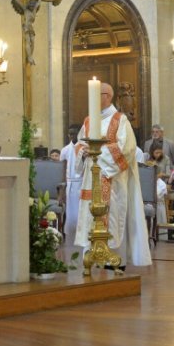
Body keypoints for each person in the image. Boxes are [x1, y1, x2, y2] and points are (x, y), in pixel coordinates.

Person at [73, 82, 151, 267]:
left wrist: (97, 154)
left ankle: (114, 259)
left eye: (97, 94)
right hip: (91, 180)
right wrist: (83, 152)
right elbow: (79, 144)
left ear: (107, 96)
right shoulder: (88, 121)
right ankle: (92, 256)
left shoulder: (120, 120)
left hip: (111, 179)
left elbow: (127, 149)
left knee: (113, 216)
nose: (91, 99)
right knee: (91, 216)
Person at [59, 124, 83, 242]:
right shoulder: (65, 150)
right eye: (70, 134)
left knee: (81, 210)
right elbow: (63, 168)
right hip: (70, 182)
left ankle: (82, 232)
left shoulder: (83, 148)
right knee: (71, 211)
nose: (72, 136)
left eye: (74, 133)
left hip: (82, 182)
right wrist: (63, 188)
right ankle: (70, 233)